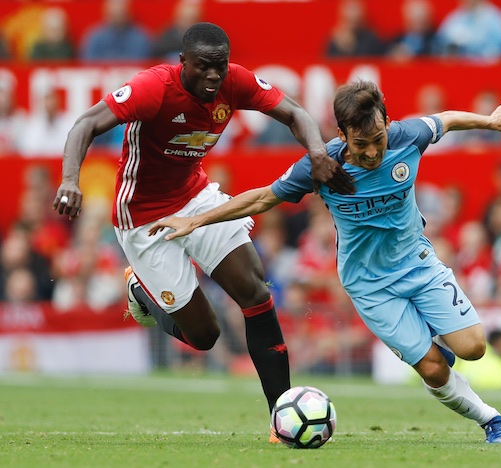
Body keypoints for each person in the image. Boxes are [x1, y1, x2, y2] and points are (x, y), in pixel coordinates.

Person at [149, 79, 501, 443]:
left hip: (418, 264)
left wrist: (490, 121)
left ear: (387, 121)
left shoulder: (409, 137)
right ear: (342, 135)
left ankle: (434, 340)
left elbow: (447, 120)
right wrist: (196, 219)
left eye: (378, 140)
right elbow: (262, 198)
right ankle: (491, 419)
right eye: (362, 143)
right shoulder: (321, 169)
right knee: (434, 368)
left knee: (473, 348)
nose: (372, 152)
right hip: (368, 285)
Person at [52, 22, 355, 442]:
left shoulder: (235, 81)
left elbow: (296, 113)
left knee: (256, 292)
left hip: (195, 196)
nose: (214, 76)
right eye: (204, 68)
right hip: (142, 215)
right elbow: (85, 124)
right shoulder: (152, 89)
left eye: (220, 66)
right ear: (183, 64)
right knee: (205, 336)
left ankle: (279, 416)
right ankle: (141, 291)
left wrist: (318, 153)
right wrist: (70, 180)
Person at [433, 0, 501, 62]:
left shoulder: (496, 20)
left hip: (486, 72)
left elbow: (500, 51)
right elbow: (441, 47)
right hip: (458, 71)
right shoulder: (453, 19)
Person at [80, 0, 151, 62]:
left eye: (121, 13)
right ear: (106, 12)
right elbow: (89, 65)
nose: (118, 15)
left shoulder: (140, 38)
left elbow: (142, 65)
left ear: (128, 12)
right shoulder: (94, 37)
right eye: (114, 14)